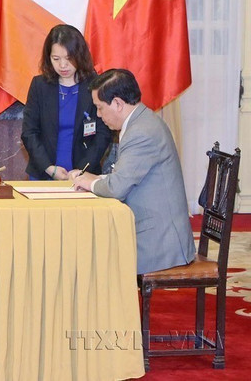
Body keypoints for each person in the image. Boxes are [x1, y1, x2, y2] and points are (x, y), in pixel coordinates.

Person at [70, 69, 195, 275]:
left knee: (91, 259)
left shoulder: (141, 132)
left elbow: (117, 188)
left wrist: (89, 183)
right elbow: (126, 175)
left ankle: (102, 308)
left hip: (158, 241)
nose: (98, 116)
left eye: (100, 108)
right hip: (153, 229)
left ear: (118, 104)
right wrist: (95, 178)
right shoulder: (141, 121)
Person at [21, 24, 112, 180]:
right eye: (56, 59)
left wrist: (82, 171)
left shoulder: (95, 86)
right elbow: (29, 133)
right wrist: (49, 168)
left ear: (80, 55)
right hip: (45, 173)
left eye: (69, 58)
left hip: (84, 174)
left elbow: (103, 135)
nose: (62, 65)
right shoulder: (40, 86)